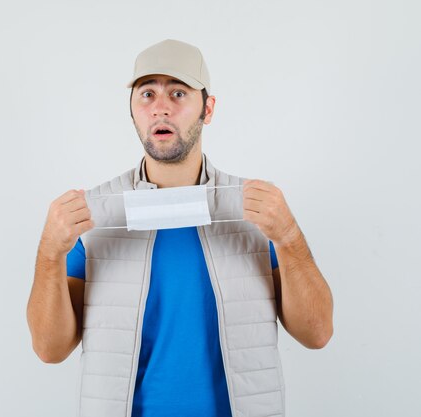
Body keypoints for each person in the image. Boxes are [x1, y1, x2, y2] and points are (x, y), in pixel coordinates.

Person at [27, 39, 333, 417]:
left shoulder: (256, 212)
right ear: (132, 112)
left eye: (178, 92)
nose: (161, 107)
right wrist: (49, 252)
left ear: (208, 108)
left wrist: (289, 238)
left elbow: (316, 334)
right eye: (147, 94)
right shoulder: (93, 216)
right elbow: (49, 349)